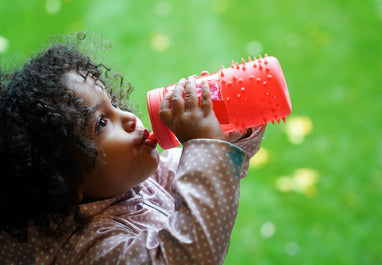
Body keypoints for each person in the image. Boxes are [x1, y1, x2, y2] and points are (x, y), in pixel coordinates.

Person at [0, 36, 264, 265]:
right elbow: (190, 256)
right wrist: (205, 144)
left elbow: (196, 171)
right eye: (102, 123)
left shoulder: (124, 184)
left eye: (113, 103)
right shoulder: (93, 247)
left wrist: (229, 126)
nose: (128, 117)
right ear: (65, 181)